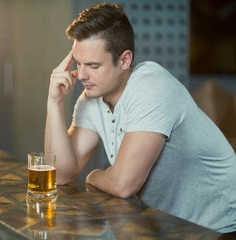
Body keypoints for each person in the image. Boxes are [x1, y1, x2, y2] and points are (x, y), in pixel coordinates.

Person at [45, 3, 236, 235]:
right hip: (169, 228)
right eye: (79, 63)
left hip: (221, 228)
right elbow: (61, 173)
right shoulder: (92, 98)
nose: (82, 74)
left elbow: (124, 184)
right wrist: (54, 102)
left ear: (124, 60)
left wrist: (94, 176)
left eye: (93, 65)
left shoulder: (151, 87)